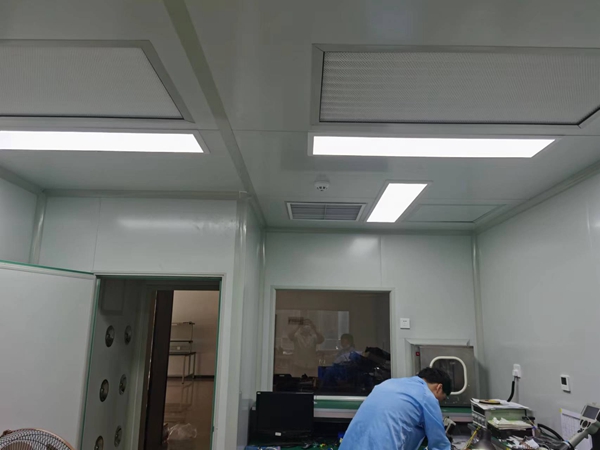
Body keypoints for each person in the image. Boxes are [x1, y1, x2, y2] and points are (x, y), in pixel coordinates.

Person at [339, 367, 453, 450]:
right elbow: (439, 442)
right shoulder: (427, 396)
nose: (438, 403)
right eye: (441, 399)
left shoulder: (388, 383)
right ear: (439, 388)